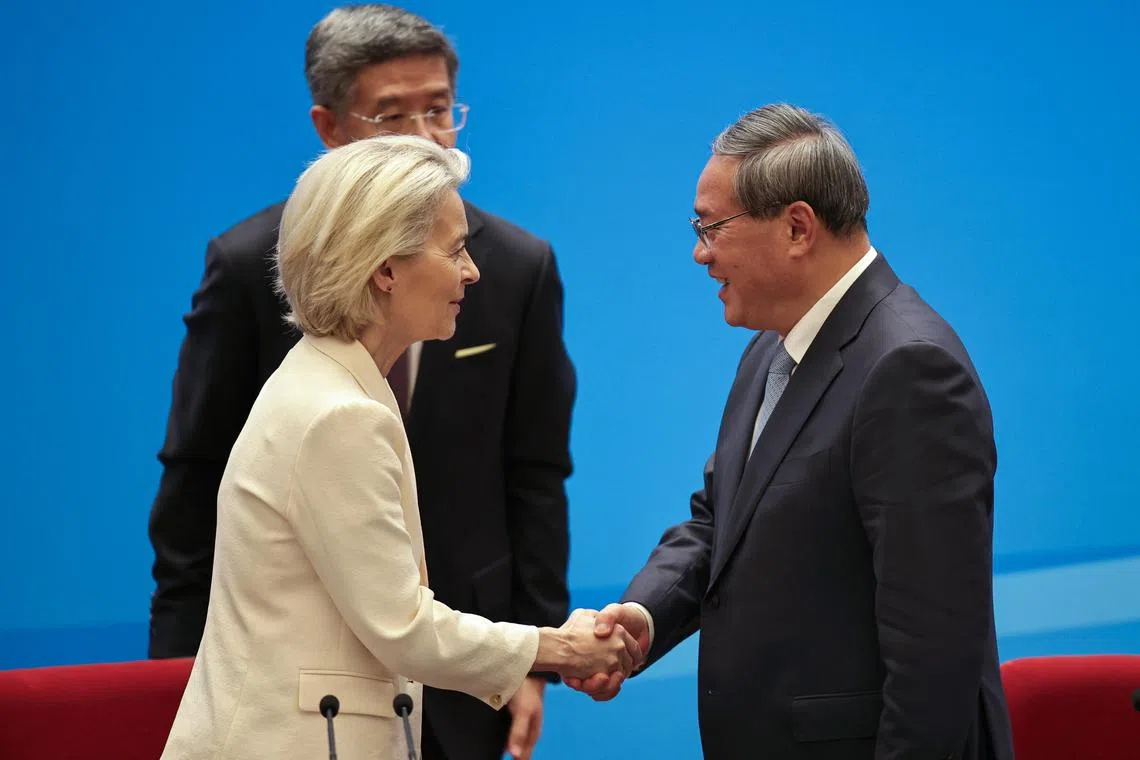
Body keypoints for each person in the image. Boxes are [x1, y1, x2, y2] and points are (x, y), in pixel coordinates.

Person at [146, 6, 575, 759]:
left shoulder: (517, 267)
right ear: (330, 125)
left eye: (439, 110)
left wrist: (527, 665)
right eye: (391, 115)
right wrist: (555, 648)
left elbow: (534, 472)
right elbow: (195, 483)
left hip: (449, 687)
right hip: (316, 705)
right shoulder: (263, 287)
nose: (424, 137)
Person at [569, 104, 1015, 760]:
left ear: (797, 227)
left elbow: (934, 657)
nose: (699, 253)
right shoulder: (774, 346)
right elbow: (720, 523)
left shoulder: (910, 369)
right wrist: (641, 618)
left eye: (710, 227)